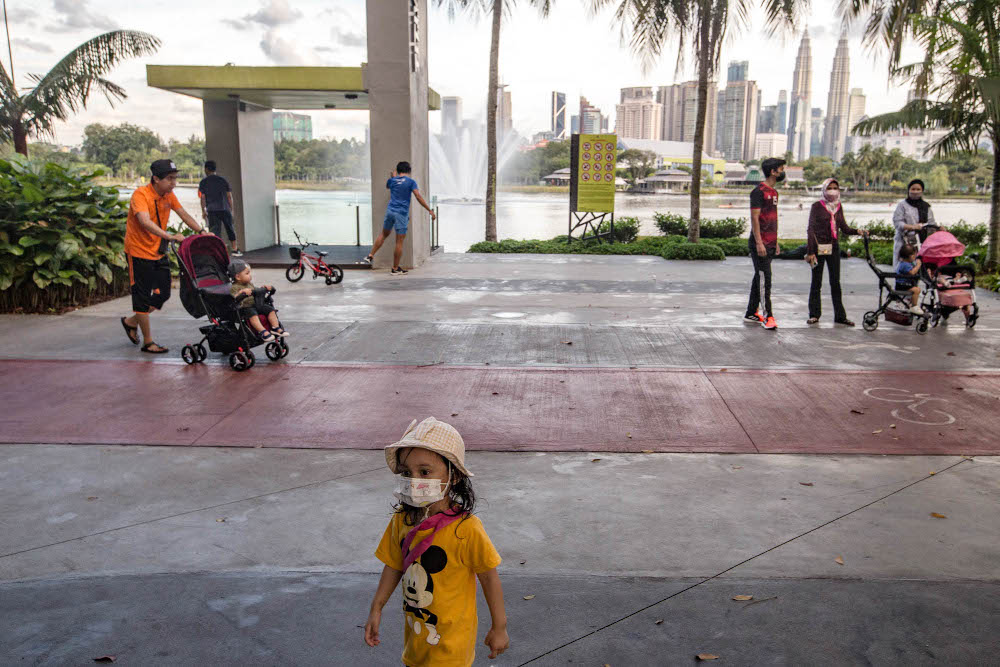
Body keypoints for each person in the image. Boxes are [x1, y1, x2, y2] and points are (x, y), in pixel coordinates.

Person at [365, 417, 508, 665]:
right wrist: (376, 607)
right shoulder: (402, 520)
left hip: (452, 649)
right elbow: (394, 565)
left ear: (453, 476)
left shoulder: (467, 529)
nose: (414, 480)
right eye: (407, 472)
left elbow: (489, 577)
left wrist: (500, 627)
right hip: (416, 644)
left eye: (425, 471)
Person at [120, 159, 206, 354]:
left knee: (163, 293)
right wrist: (169, 236)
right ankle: (148, 342)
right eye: (169, 179)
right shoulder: (140, 195)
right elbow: (144, 221)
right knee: (141, 297)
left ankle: (131, 322)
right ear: (156, 179)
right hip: (139, 252)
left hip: (158, 251)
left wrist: (201, 231)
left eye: (175, 178)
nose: (173, 183)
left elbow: (183, 214)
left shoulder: (169, 195)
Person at [805, 178, 867, 326]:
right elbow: (811, 229)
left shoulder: (838, 207)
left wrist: (858, 231)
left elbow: (844, 228)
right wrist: (811, 251)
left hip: (833, 248)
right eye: (829, 188)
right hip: (818, 249)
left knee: (835, 283)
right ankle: (814, 314)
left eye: (835, 188)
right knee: (816, 282)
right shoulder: (817, 206)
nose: (832, 190)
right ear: (824, 189)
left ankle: (840, 316)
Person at [364, 161, 436, 274]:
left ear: (397, 170)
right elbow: (417, 196)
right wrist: (429, 210)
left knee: (383, 234)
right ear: (409, 171)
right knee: (399, 242)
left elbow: (388, 186)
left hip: (390, 212)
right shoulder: (411, 182)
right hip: (401, 213)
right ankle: (395, 268)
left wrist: (392, 177)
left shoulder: (392, 180)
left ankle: (370, 255)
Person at [745, 157, 786, 330]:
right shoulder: (758, 191)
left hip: (770, 242)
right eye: (781, 169)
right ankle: (768, 317)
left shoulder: (774, 192)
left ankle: (751, 313)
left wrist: (775, 242)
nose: (783, 172)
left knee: (759, 278)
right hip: (759, 244)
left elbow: (772, 220)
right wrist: (759, 243)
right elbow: (755, 218)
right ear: (773, 171)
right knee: (765, 280)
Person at [228, 259, 288, 342]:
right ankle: (262, 331)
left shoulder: (249, 284)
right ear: (238, 277)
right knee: (252, 313)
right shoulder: (234, 287)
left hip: (255, 304)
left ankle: (275, 327)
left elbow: (255, 290)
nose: (250, 275)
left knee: (270, 309)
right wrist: (241, 293)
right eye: (247, 273)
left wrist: (264, 288)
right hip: (244, 308)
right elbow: (234, 298)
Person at [199, 160, 240, 256]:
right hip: (225, 208)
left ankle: (218, 251)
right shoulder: (223, 180)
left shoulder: (204, 182)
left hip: (212, 210)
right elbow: (229, 196)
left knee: (214, 231)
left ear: (206, 169)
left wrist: (203, 210)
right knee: (230, 228)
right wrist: (231, 210)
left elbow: (203, 197)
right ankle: (234, 249)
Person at [892, 179, 935, 268]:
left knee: (920, 268)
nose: (915, 192)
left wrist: (939, 229)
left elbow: (931, 223)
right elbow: (897, 223)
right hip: (904, 242)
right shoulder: (902, 205)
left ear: (922, 191)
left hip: (921, 242)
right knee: (903, 268)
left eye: (918, 189)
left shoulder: (926, 206)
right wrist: (912, 227)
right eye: (913, 189)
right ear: (908, 190)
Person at [895, 244, 924, 315]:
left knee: (916, 289)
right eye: (914, 255)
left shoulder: (905, 263)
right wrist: (918, 265)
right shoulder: (905, 265)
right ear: (910, 256)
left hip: (904, 284)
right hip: (902, 286)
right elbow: (912, 272)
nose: (915, 257)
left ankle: (910, 303)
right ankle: (914, 306)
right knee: (916, 290)